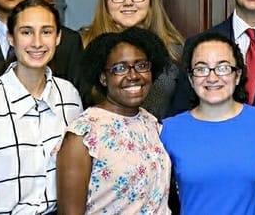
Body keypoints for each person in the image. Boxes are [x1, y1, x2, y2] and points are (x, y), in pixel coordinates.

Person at [0, 0, 84, 215]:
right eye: (26, 32)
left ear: (58, 37)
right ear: (11, 38)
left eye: (46, 32)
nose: (37, 42)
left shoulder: (69, 95)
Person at [56, 27, 173, 215]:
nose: (133, 75)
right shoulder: (84, 134)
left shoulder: (150, 123)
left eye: (141, 65)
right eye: (120, 68)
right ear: (103, 78)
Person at [161, 32, 255, 215]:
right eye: (201, 69)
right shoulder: (168, 130)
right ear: (190, 78)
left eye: (223, 67)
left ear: (237, 75)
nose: (212, 77)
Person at [78, 0, 185, 117]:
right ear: (106, 2)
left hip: (159, 138)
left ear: (150, 0)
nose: (128, 2)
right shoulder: (82, 45)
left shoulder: (176, 51)